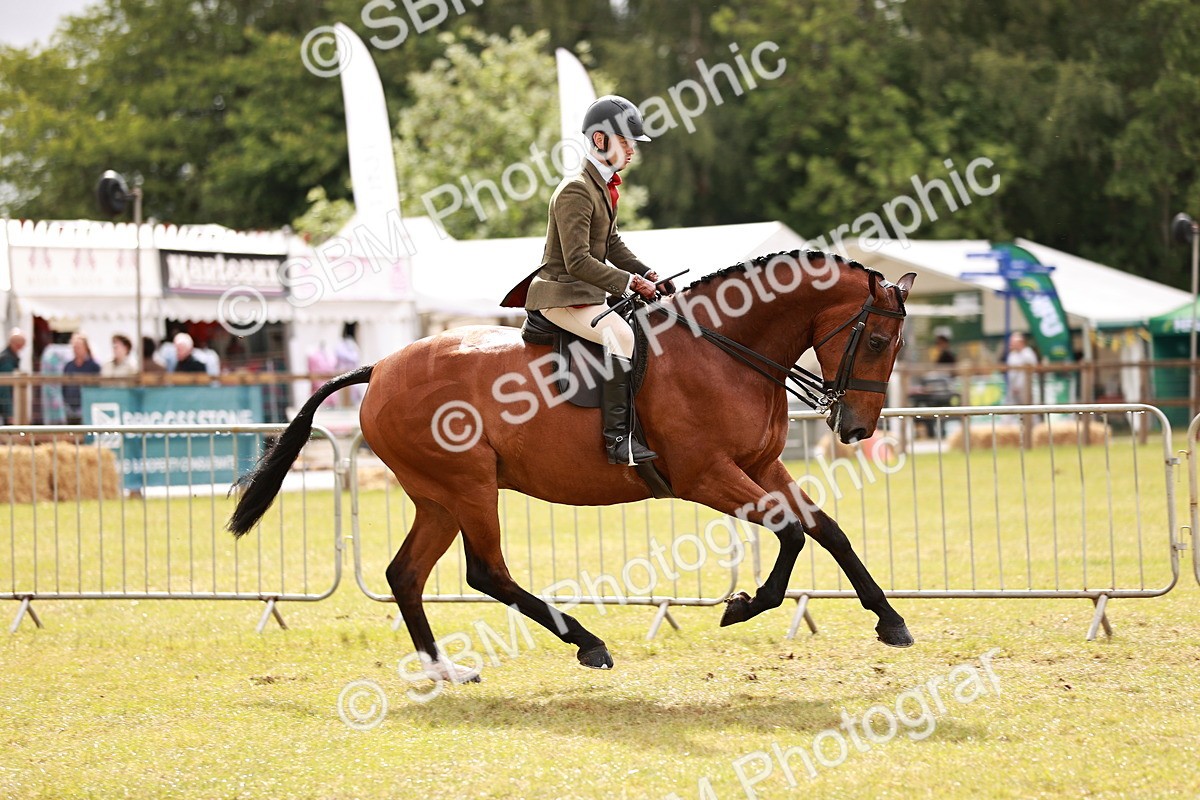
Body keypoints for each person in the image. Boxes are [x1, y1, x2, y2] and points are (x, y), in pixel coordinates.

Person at [524, 95, 669, 466]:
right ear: (600, 140)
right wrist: (630, 283)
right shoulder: (575, 189)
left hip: (587, 294)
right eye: (625, 141)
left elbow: (611, 243)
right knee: (622, 336)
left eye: (632, 142)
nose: (632, 149)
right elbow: (577, 262)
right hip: (561, 296)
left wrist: (646, 272)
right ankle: (618, 440)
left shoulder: (602, 187)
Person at [62, 332, 101, 423]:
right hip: (71, 406)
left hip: (88, 405)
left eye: (79, 347)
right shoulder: (68, 366)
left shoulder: (93, 366)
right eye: (74, 347)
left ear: (85, 347)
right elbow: (64, 385)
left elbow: (98, 387)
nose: (76, 350)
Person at [0, 328, 27, 424]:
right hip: (4, 402)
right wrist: (9, 413)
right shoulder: (7, 360)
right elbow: (5, 387)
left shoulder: (8, 356)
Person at [1005, 331, 1039, 404]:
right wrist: (1013, 386)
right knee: (1011, 407)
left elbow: (1033, 368)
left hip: (1026, 388)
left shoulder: (1028, 353)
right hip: (1013, 388)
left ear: (1020, 342)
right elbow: (1011, 373)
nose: (1011, 344)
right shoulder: (1012, 355)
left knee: (1028, 407)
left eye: (1013, 342)